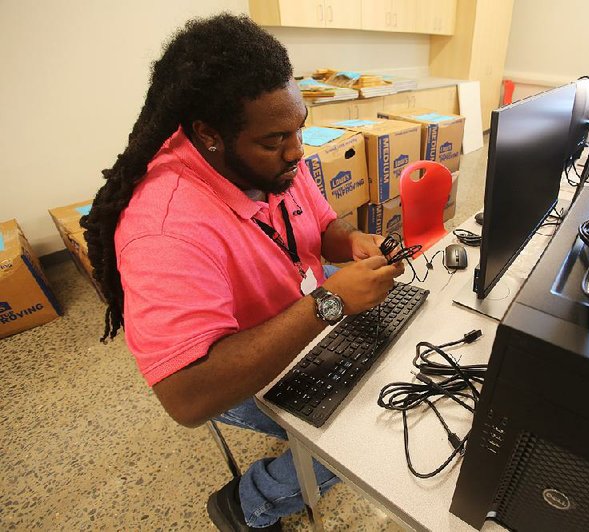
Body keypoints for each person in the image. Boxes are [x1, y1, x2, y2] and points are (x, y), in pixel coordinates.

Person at [80, 13, 404, 531]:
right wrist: (331, 302)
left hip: (308, 325)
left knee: (397, 379)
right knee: (367, 436)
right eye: (276, 140)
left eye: (298, 128)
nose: (297, 151)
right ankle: (249, 502)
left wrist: (349, 242)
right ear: (210, 134)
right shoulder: (164, 228)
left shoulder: (271, 157)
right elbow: (188, 398)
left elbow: (318, 226)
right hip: (237, 372)